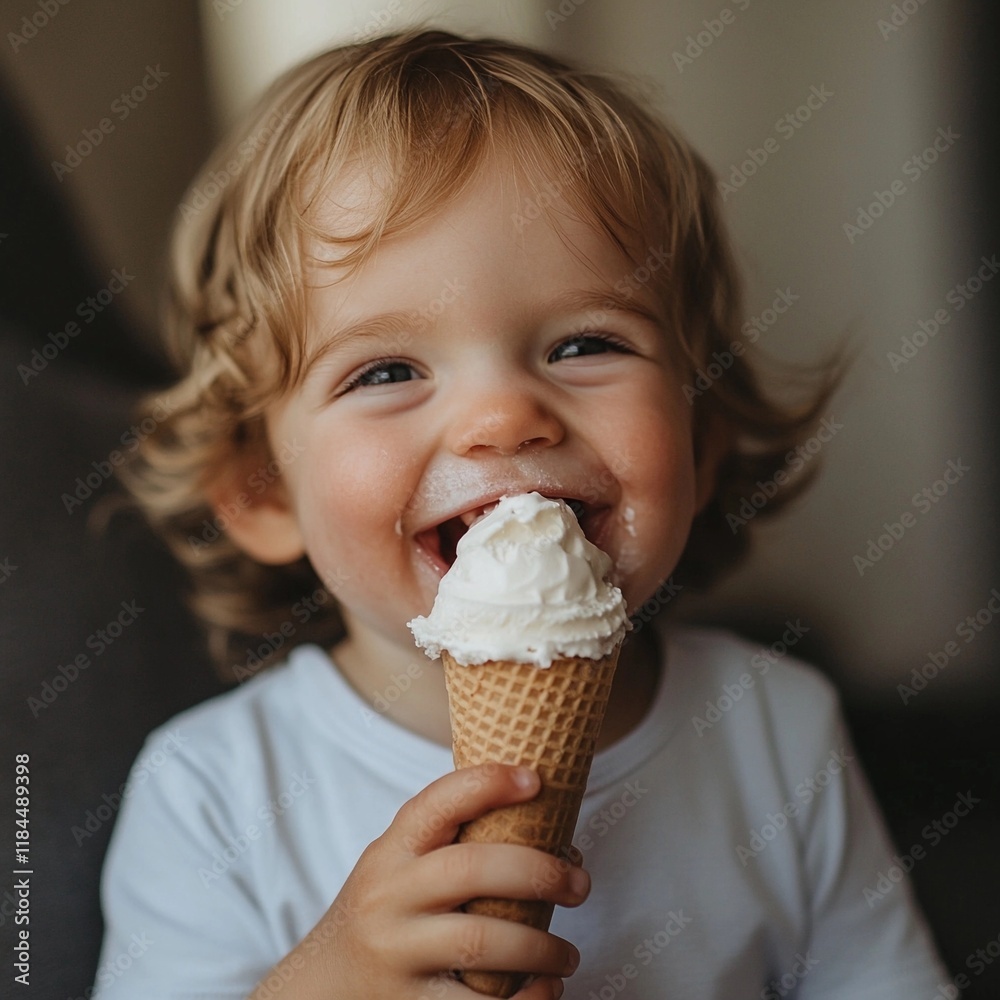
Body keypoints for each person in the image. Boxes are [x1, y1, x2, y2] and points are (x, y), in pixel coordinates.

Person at [94, 29, 948, 999]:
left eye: (585, 343)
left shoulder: (778, 730)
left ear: (701, 440)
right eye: (386, 370)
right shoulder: (213, 791)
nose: (502, 418)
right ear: (259, 489)